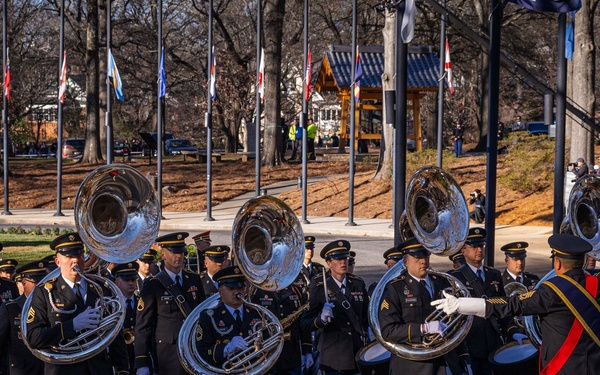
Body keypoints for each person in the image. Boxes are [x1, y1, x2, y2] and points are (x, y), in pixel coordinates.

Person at [433, 233, 600, 374]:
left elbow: (511, 304)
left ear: (557, 263)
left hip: (565, 367)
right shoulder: (596, 285)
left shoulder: (552, 291)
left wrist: (461, 304)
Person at [25, 232, 129, 375]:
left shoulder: (100, 288)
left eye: (79, 255)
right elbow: (34, 337)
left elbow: (114, 331)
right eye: (69, 257)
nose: (75, 261)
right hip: (63, 370)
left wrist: (123, 369)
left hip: (99, 369)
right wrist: (72, 325)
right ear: (57, 262)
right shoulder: (45, 292)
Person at [378, 237, 471, 374]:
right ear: (406, 262)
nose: (423, 261)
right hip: (414, 366)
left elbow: (456, 324)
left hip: (448, 362)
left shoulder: (441, 282)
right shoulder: (395, 288)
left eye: (426, 256)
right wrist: (423, 328)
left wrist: (464, 358)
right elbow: (388, 331)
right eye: (417, 257)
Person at [448, 228, 522, 375]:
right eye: (474, 246)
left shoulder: (493, 274)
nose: (479, 250)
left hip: (492, 342)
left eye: (481, 246)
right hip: (470, 345)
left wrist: (512, 330)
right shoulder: (455, 277)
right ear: (463, 250)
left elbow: (503, 306)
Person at [135, 232, 206, 375]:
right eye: (174, 251)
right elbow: (143, 325)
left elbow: (202, 315)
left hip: (192, 348)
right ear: (163, 255)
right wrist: (141, 361)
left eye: (181, 251)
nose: (178, 256)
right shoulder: (153, 284)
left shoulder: (193, 279)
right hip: (167, 355)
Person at [301, 240, 369, 375]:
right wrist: (321, 320)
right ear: (328, 263)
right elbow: (305, 323)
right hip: (333, 356)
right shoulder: (320, 285)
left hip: (356, 352)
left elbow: (365, 316)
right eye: (338, 259)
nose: (343, 262)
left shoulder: (357, 283)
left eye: (345, 258)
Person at [195, 265, 263, 367]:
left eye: (240, 287)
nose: (237, 292)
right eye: (231, 288)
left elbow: (267, 341)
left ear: (245, 288)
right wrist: (226, 348)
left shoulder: (256, 312)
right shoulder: (209, 316)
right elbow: (202, 351)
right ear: (220, 291)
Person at [250, 280, 313, 374]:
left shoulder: (296, 290)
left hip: (291, 355)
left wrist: (307, 351)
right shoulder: (257, 291)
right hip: (267, 353)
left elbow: (303, 324)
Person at [0, 260, 48, 375]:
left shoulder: (51, 306)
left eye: (44, 282)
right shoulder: (10, 309)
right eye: (37, 283)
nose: (42, 287)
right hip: (22, 369)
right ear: (24, 283)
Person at [112, 262, 140, 375]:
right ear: (117, 282)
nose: (130, 283)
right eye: (126, 280)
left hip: (138, 355)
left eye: (133, 280)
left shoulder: (142, 302)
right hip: (119, 356)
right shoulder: (112, 305)